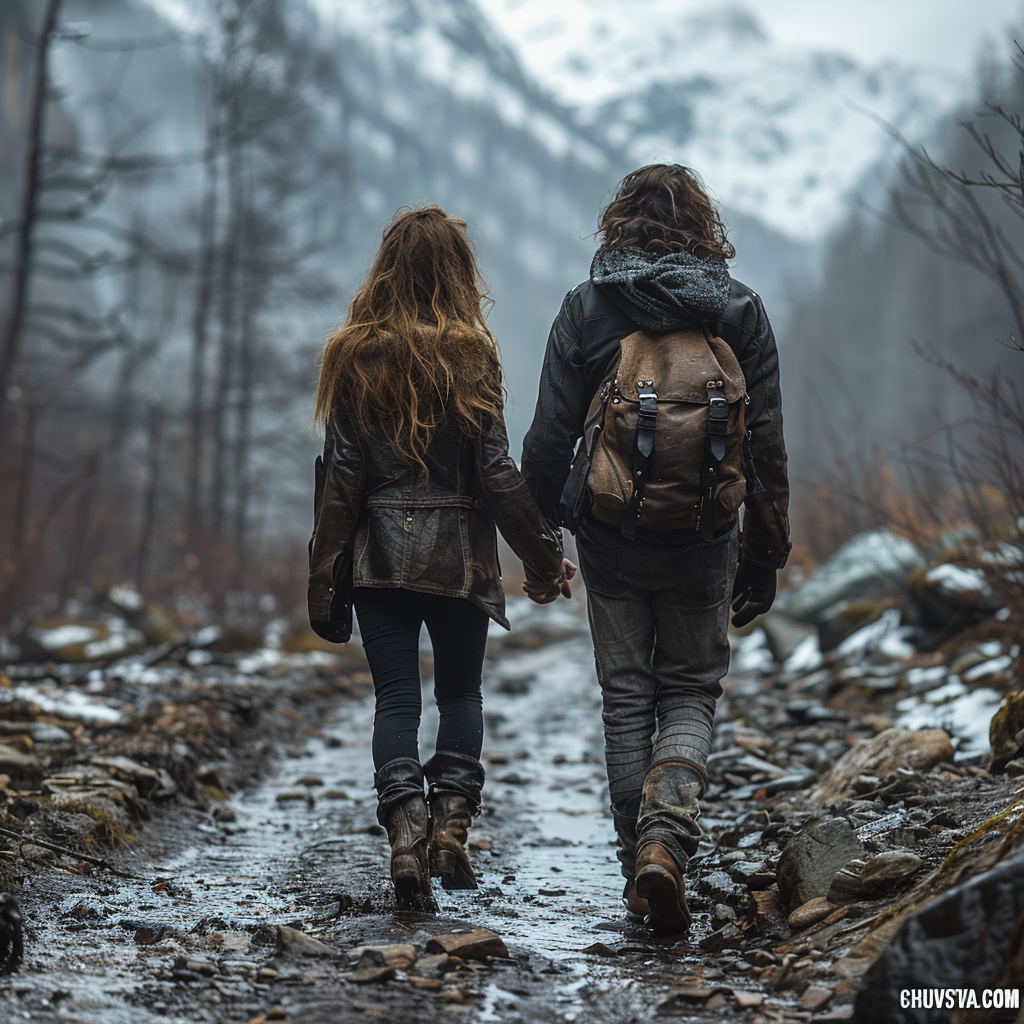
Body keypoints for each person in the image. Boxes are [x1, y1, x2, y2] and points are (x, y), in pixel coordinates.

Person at [521, 164, 791, 933]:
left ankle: (632, 857)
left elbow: (548, 438)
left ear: (617, 224)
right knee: (690, 692)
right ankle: (664, 844)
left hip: (608, 535)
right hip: (707, 537)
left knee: (628, 694)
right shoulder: (738, 311)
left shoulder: (588, 305)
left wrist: (543, 542)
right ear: (705, 227)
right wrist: (766, 553)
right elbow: (765, 446)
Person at [308, 206, 573, 905]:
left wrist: (324, 575)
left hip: (378, 560)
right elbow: (497, 475)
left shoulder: (351, 353)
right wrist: (545, 559)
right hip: (458, 560)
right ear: (458, 272)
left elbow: (341, 479)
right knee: (460, 693)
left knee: (395, 699)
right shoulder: (473, 353)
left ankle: (405, 834)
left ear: (385, 270)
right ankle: (451, 828)